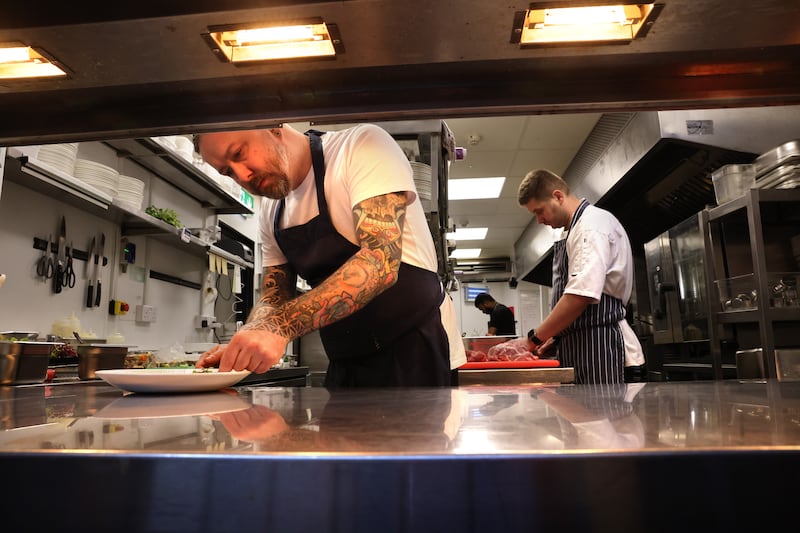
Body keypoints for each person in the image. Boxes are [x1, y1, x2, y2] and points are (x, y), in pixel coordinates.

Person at [193, 123, 466, 387]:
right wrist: (251, 335)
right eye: (227, 171)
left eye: (239, 153)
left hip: (415, 347)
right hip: (344, 358)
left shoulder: (361, 146)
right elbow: (275, 293)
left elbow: (380, 262)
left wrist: (279, 326)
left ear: (273, 125)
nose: (242, 176)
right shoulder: (270, 211)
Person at [517, 169, 646, 385]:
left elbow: (580, 296)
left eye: (539, 211)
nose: (539, 220)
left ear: (558, 196)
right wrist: (556, 336)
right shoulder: (574, 230)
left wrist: (532, 339)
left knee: (600, 416)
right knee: (583, 417)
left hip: (602, 344)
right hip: (583, 344)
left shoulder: (591, 226)